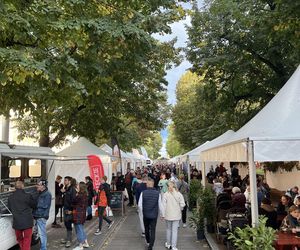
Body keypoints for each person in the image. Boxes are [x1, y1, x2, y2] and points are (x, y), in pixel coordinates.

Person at [8, 180, 36, 250]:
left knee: (19, 238)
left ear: (15, 187)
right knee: (27, 239)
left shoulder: (10, 197)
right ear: (23, 186)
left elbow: (10, 208)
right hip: (27, 221)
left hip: (17, 221)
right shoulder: (28, 196)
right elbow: (34, 205)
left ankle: (23, 248)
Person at [138, 178, 163, 250]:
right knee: (153, 230)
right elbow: (160, 204)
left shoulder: (143, 193)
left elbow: (140, 205)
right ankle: (151, 246)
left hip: (145, 214)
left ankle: (148, 241)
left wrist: (142, 212)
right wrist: (162, 214)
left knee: (146, 228)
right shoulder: (157, 193)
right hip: (154, 215)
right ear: (153, 184)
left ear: (147, 185)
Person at [162, 181, 185, 250]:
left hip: (168, 215)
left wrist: (163, 215)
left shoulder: (165, 194)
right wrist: (180, 209)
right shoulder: (179, 194)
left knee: (168, 229)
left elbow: (163, 206)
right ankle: (174, 246)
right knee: (174, 231)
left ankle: (168, 244)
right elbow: (183, 204)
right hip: (176, 215)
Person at [33, 179, 52, 250]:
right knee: (39, 233)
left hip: (41, 216)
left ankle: (43, 248)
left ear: (43, 186)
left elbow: (45, 205)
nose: (36, 186)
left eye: (38, 185)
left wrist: (34, 204)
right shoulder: (40, 193)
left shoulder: (47, 194)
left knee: (42, 234)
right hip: (38, 215)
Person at [72, 182, 89, 250]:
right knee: (81, 228)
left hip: (78, 214)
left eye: (78, 185)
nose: (77, 186)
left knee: (79, 229)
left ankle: (80, 245)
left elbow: (73, 202)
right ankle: (85, 243)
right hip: (82, 213)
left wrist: (76, 195)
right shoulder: (85, 195)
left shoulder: (79, 195)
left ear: (81, 187)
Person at [61, 176, 77, 248]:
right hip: (65, 208)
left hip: (69, 209)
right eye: (64, 180)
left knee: (68, 223)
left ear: (69, 181)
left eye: (66, 180)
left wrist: (71, 210)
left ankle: (69, 240)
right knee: (66, 223)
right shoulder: (67, 189)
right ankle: (68, 238)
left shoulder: (72, 189)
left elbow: (73, 200)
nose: (64, 181)